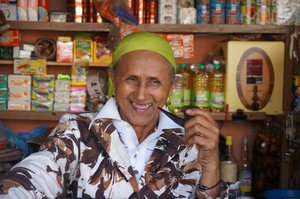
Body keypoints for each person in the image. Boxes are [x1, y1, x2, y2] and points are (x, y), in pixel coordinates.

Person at [0, 32, 228, 198]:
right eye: (131, 79)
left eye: (154, 82)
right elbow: (34, 175)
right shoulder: (77, 131)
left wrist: (211, 166)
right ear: (113, 78)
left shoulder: (188, 142)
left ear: (171, 86)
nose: (140, 95)